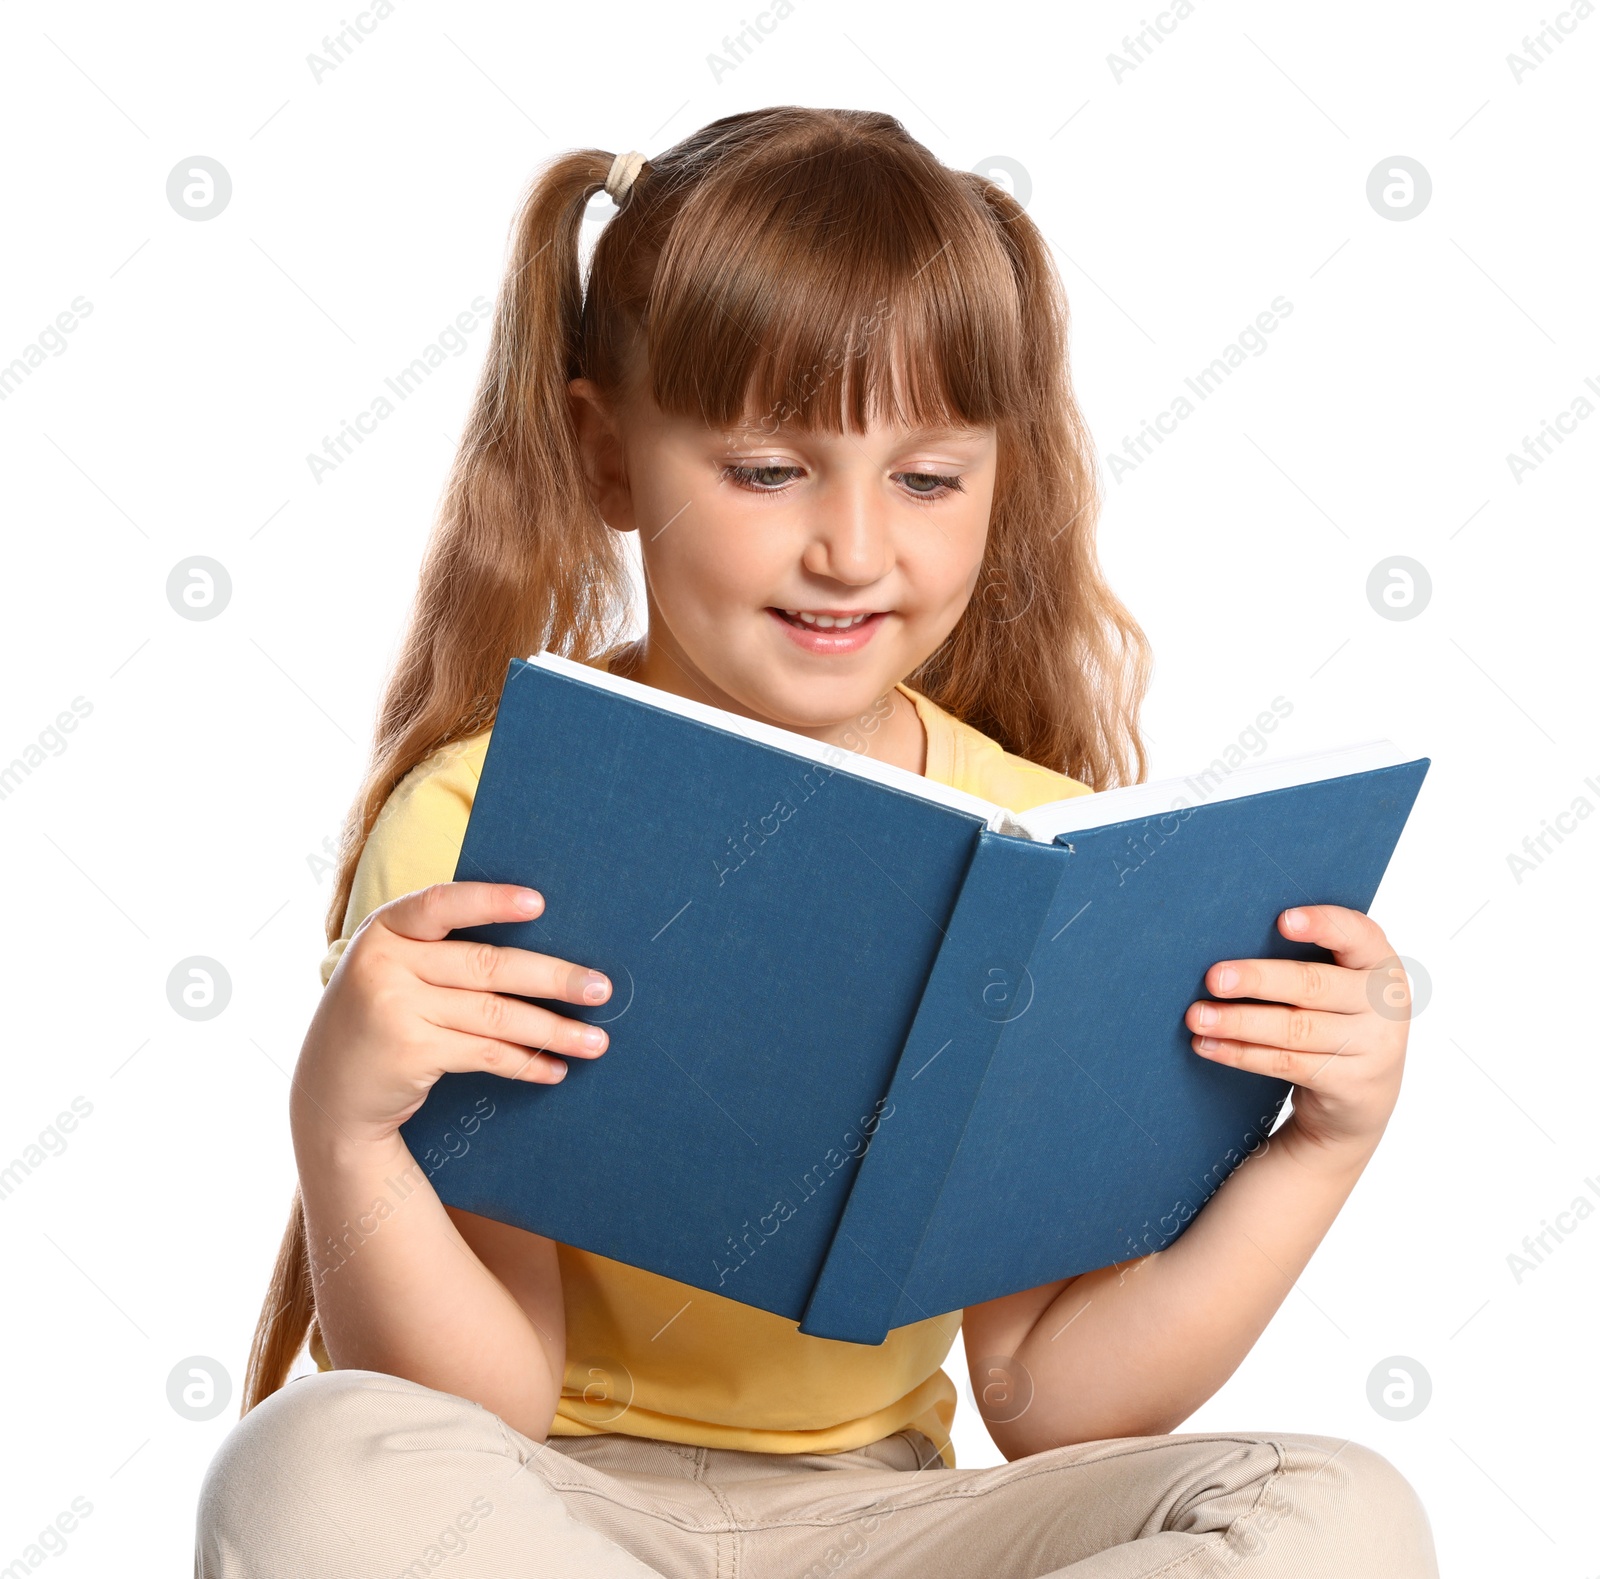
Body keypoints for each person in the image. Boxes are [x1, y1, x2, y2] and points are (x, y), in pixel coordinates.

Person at [195, 106, 1438, 1577]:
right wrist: (344, 1126)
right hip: (547, 1514)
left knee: (1339, 1511)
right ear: (607, 457)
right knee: (310, 1462)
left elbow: (1054, 1399)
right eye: (769, 471)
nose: (854, 550)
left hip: (893, 1521)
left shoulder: (1046, 840)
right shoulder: (484, 820)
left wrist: (1319, 1148)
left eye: (926, 479)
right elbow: (486, 1398)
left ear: (1000, 474)